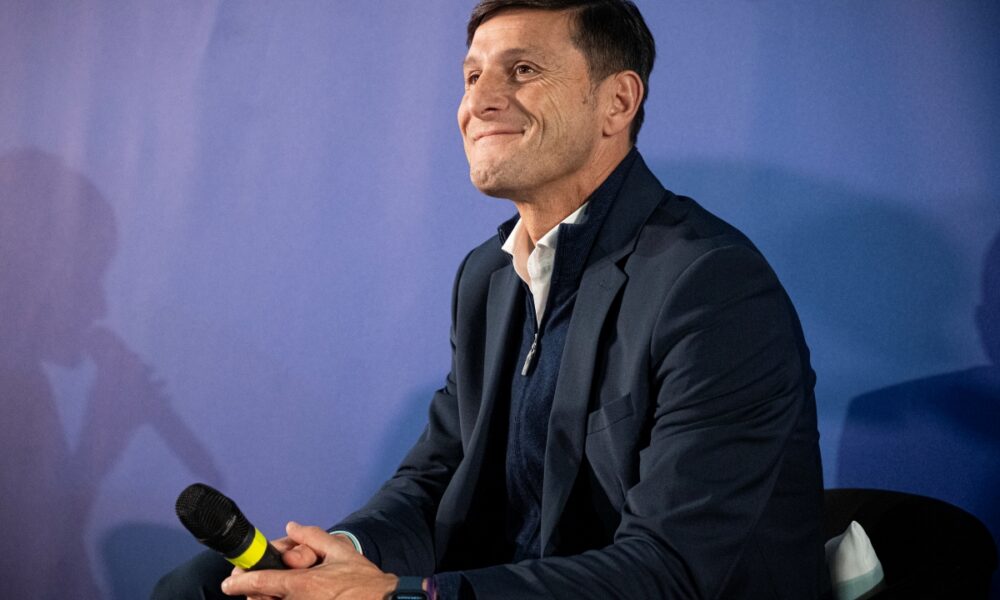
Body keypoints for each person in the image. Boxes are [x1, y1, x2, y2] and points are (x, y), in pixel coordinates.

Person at [154, 1, 827, 598]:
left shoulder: (712, 287)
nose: (480, 101)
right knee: (201, 587)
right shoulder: (488, 276)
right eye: (473, 76)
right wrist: (343, 557)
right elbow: (437, 478)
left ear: (616, 103)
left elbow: (669, 572)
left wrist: (399, 596)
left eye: (524, 70)